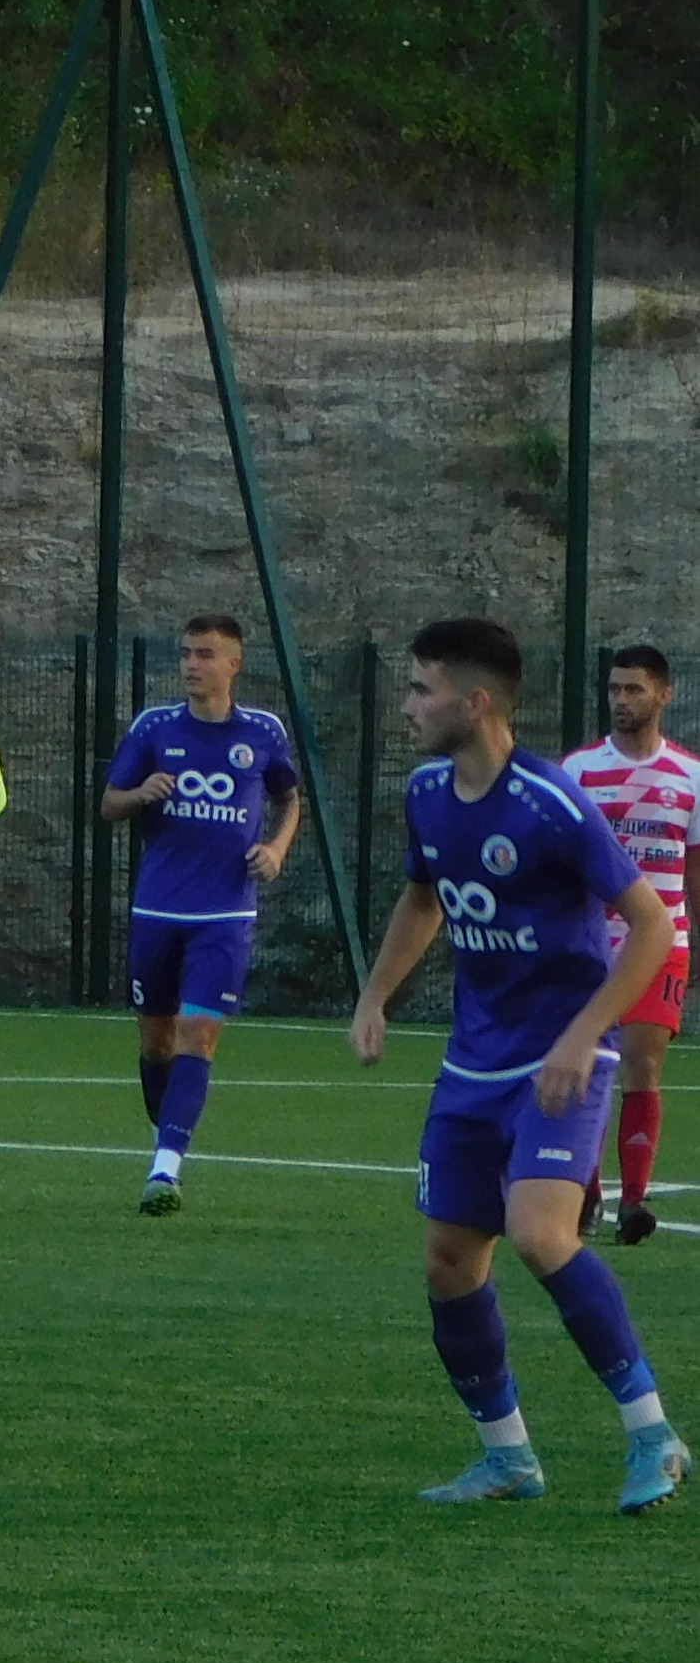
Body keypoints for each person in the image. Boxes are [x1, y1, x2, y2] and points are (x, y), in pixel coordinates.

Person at [350, 616, 689, 1514]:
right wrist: (375, 995)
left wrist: (584, 1032)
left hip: (559, 1055)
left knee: (539, 1233)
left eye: (420, 689)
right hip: (474, 1060)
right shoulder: (427, 791)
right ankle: (506, 1457)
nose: (406, 705)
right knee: (448, 1260)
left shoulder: (549, 802)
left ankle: (652, 1434)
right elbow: (422, 897)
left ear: (475, 702)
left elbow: (651, 924)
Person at [99, 613, 300, 1215]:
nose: (192, 664)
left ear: (234, 664)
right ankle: (168, 1137)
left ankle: (166, 1169)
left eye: (205, 654)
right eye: (187, 653)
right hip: (157, 910)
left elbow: (289, 797)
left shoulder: (262, 732)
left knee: (198, 1031)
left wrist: (277, 849)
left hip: (225, 917)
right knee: (158, 1042)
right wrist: (140, 795)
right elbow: (109, 804)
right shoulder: (154, 727)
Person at [560, 642, 698, 1243]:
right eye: (614, 689)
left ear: (664, 694)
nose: (621, 700)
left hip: (661, 943)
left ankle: (635, 1202)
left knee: (643, 1065)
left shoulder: (691, 776)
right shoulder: (579, 771)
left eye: (634, 689)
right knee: (589, 1066)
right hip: (592, 946)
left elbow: (694, 869)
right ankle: (587, 1192)